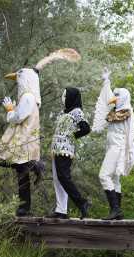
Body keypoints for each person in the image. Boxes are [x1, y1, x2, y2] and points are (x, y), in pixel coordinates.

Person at [0, 68, 42, 216]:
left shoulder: (28, 97)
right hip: (26, 138)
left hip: (23, 139)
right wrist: (14, 109)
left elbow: (19, 117)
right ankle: (24, 208)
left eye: (19, 77)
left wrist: (9, 110)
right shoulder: (31, 98)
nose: (17, 80)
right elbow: (22, 114)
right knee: (21, 172)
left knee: (21, 170)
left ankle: (24, 207)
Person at [92, 68, 134, 220]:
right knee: (115, 179)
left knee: (104, 175)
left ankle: (115, 209)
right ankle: (118, 212)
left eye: (118, 95)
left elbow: (114, 117)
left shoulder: (126, 110)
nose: (115, 97)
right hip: (112, 147)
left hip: (118, 149)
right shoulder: (116, 110)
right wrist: (106, 81)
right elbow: (108, 99)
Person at [47, 87, 91, 219]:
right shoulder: (62, 113)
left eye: (65, 96)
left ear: (71, 97)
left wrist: (72, 136)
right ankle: (61, 210)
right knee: (57, 179)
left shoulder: (77, 112)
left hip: (65, 149)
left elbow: (86, 128)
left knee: (63, 177)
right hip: (56, 149)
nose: (63, 98)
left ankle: (81, 202)